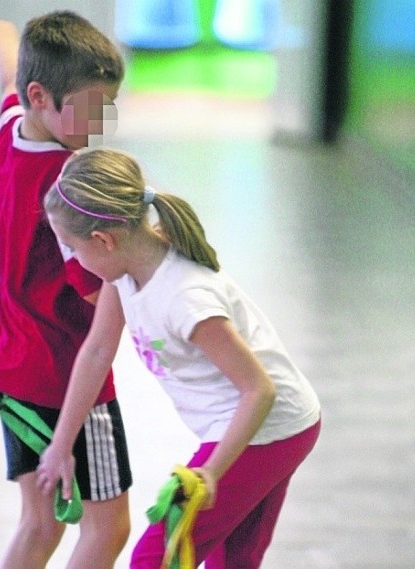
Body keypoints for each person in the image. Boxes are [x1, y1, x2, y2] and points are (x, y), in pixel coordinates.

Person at [36, 147, 322, 568]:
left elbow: (258, 389)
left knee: (157, 558)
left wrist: (212, 471)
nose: (74, 260)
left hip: (268, 429)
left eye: (72, 248)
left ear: (103, 239)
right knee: (235, 559)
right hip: (265, 425)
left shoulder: (185, 298)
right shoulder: (124, 272)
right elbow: (97, 351)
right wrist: (62, 444)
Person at [0, 13, 131, 569]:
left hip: (12, 366)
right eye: (91, 108)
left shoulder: (10, 125)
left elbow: (9, 74)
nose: (102, 122)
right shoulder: (70, 190)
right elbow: (101, 300)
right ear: (42, 97)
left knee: (40, 523)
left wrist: (2, 33)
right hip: (67, 381)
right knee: (109, 528)